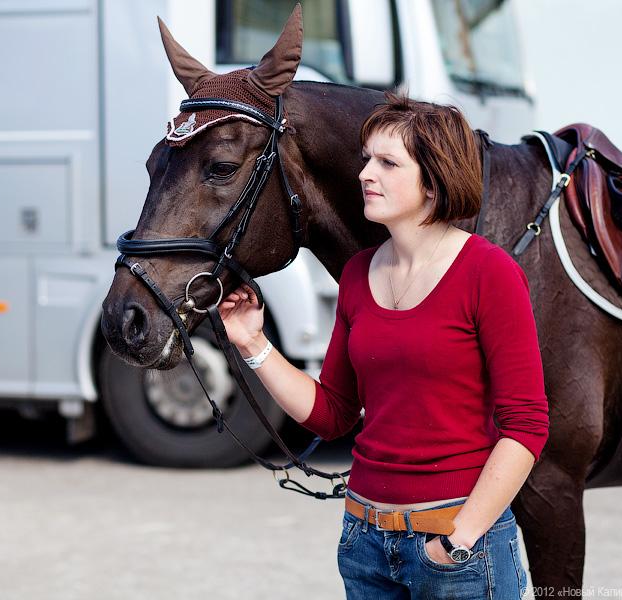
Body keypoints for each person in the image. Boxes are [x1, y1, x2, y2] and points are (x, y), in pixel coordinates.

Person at [218, 92, 549, 600]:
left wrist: (458, 541)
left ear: (434, 180)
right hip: (365, 543)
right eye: (367, 158)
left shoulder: (491, 275)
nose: (364, 174)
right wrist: (253, 342)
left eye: (387, 162)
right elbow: (334, 414)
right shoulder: (356, 274)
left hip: (457, 550)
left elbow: (526, 426)